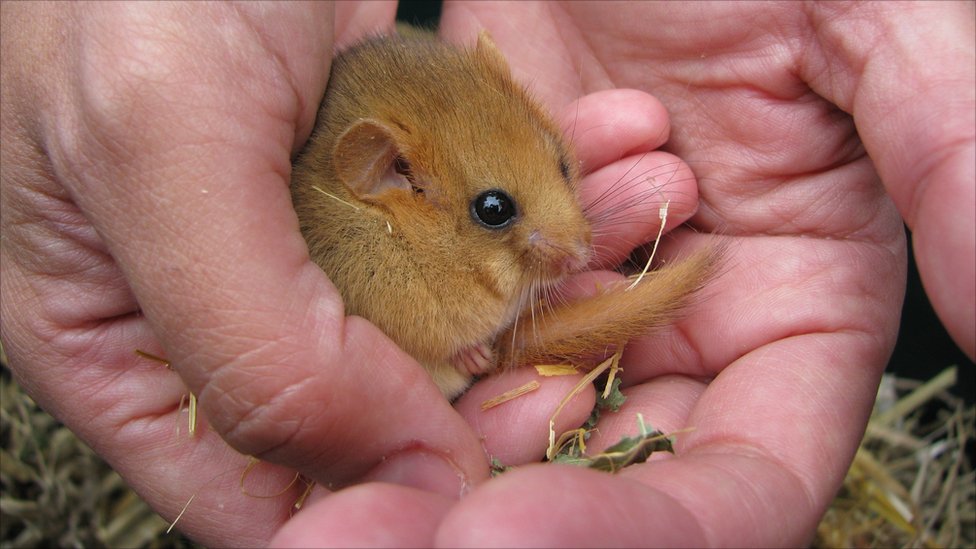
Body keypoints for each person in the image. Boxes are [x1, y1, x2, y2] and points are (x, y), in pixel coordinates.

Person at [1, 2, 972, 546]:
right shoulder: (362, 233)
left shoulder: (469, 133)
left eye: (559, 168)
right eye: (499, 212)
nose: (570, 237)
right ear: (391, 176)